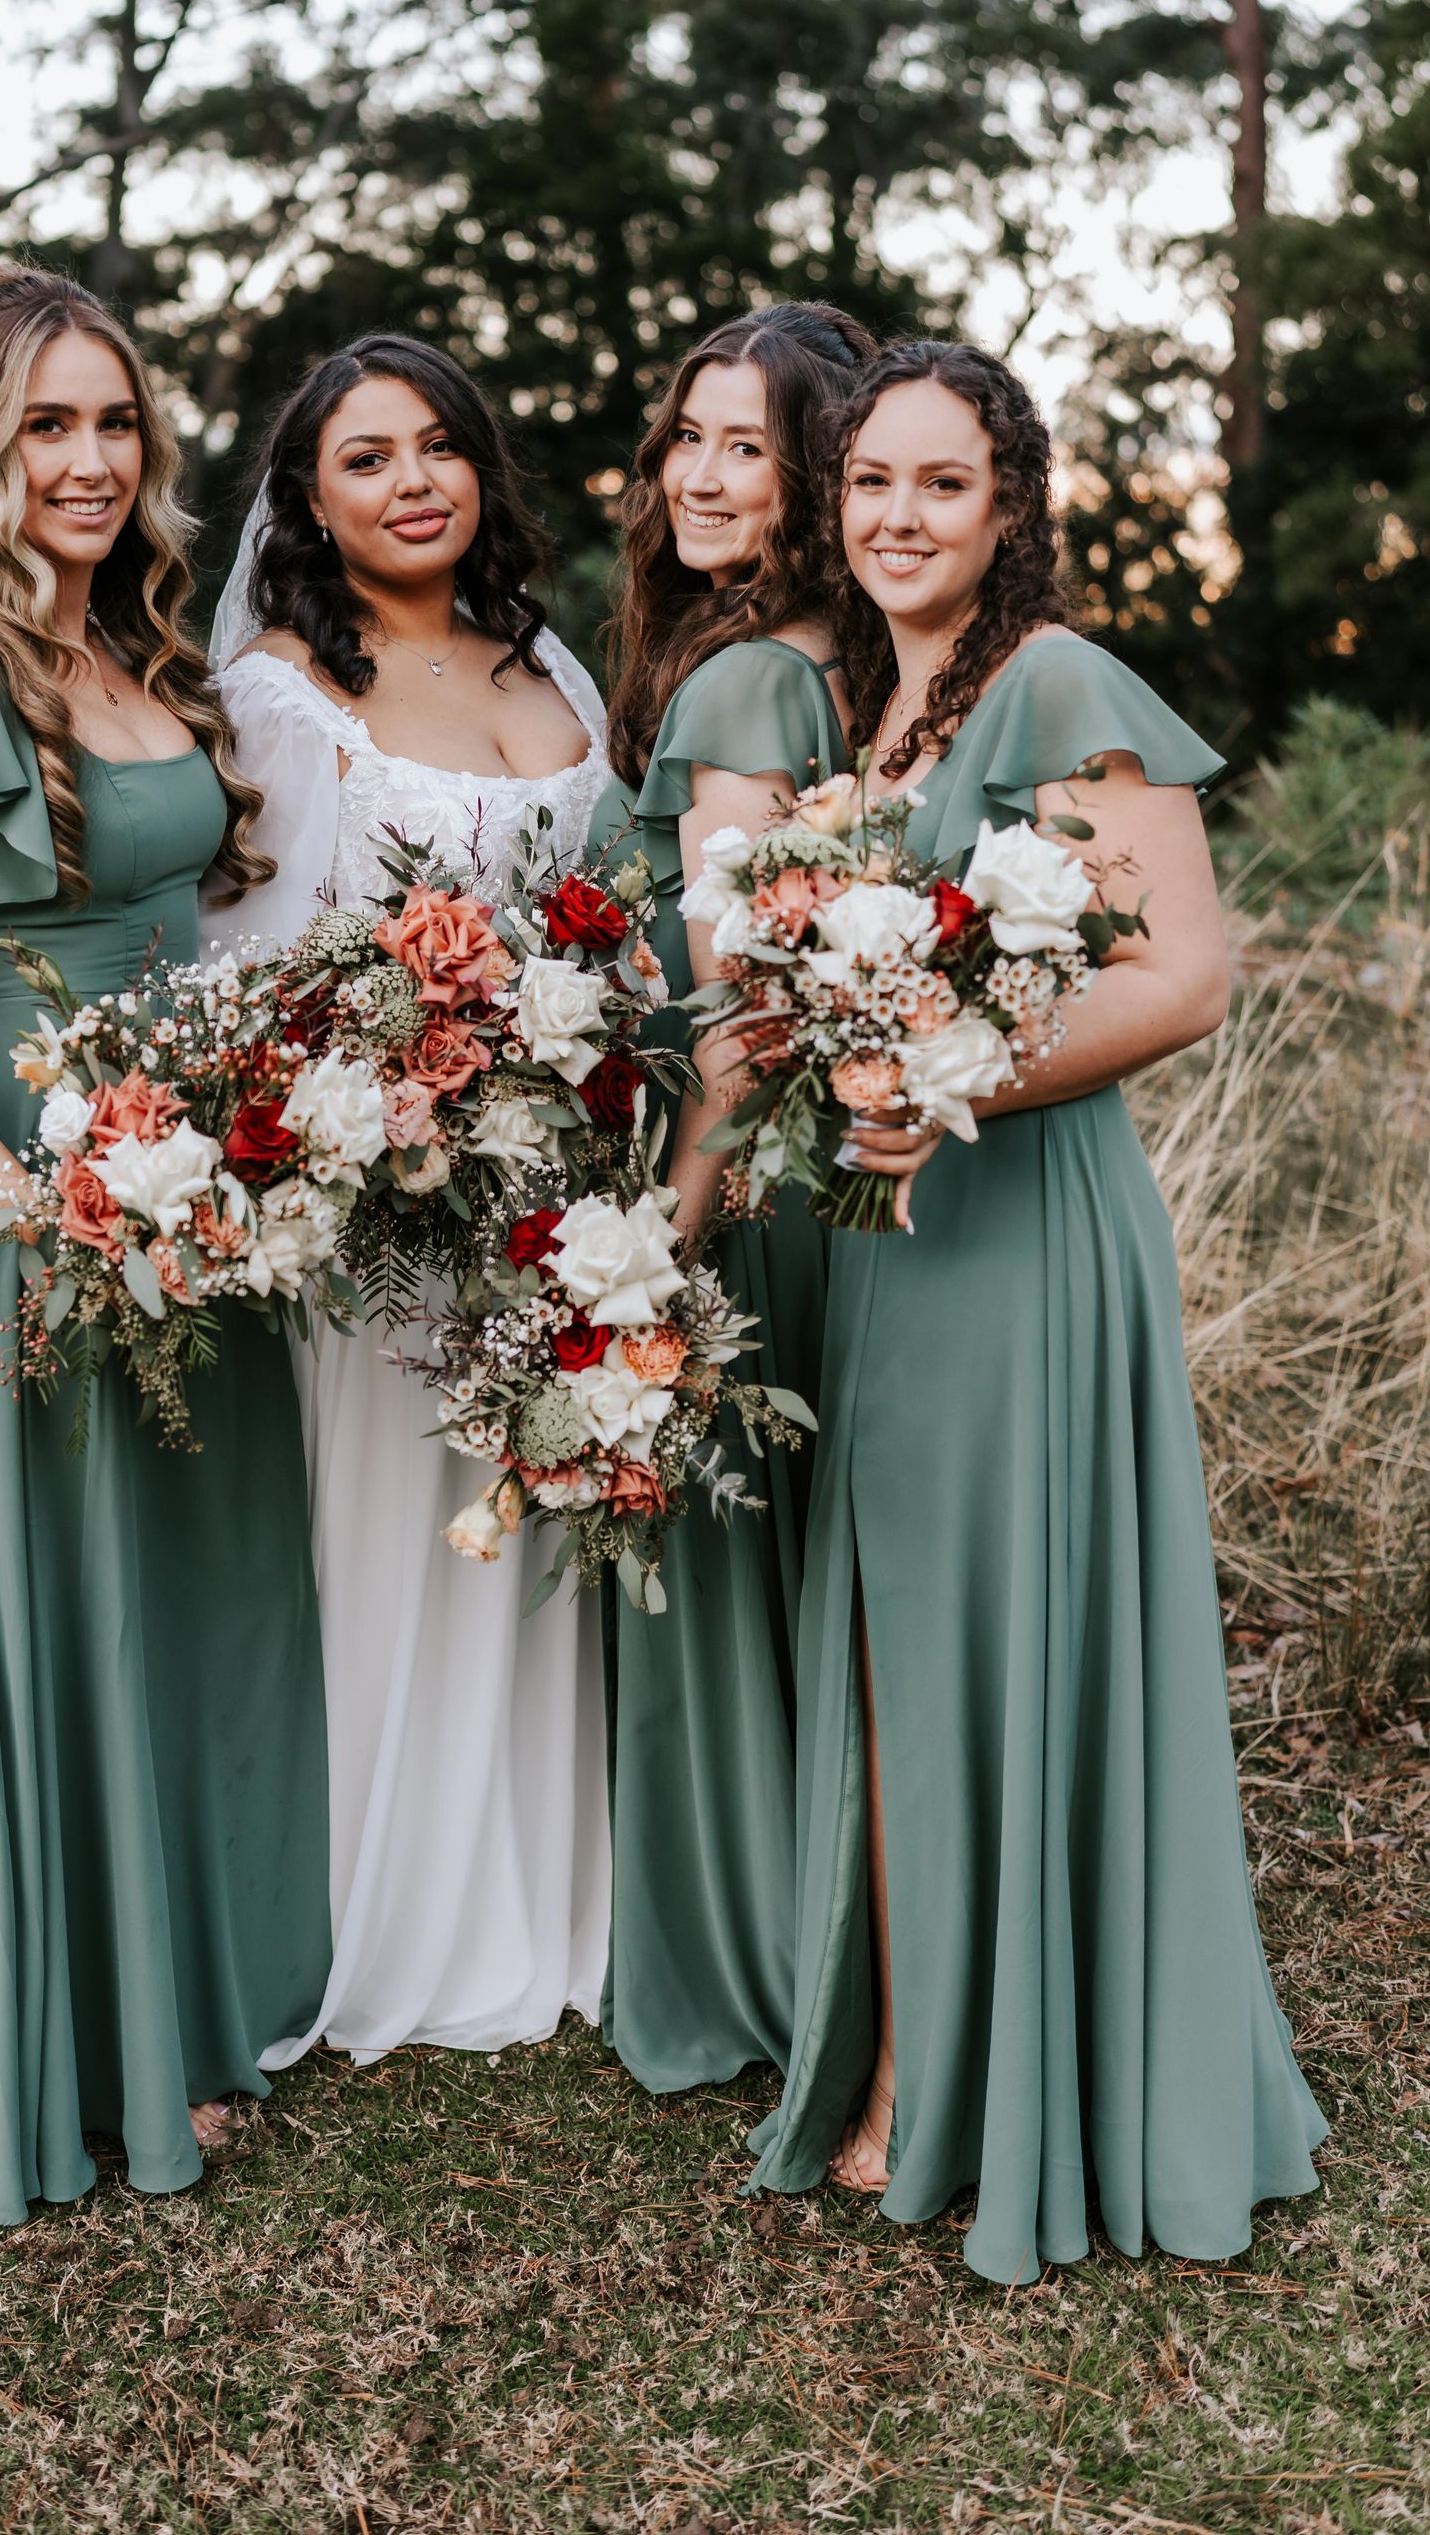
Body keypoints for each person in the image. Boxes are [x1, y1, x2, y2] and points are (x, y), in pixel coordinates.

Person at [745, 339, 1327, 2281]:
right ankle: (926, 2058)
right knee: (915, 1660)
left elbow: (1182, 977)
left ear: (1010, 510)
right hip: (896, 1249)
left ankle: (996, 2091)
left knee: (1005, 1644)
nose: (897, 517)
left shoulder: (1061, 685)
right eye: (871, 484)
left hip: (1025, 1234)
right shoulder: (879, 726)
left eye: (941, 484)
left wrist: (951, 1083)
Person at [0, 264, 330, 2222]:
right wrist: (42, 1205)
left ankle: (175, 1997)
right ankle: (65, 2039)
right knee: (72, 1610)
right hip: (27, 1201)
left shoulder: (137, 647)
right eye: (50, 425)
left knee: (183, 1603)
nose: (94, 461)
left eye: (118, 424)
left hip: (195, 1187)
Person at [200, 332, 612, 2063]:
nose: (412, 480)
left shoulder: (558, 676)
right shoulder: (287, 696)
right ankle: (388, 1910)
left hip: (564, 1179)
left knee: (547, 1523)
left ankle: (550, 1890)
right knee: (396, 1532)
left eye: (439, 446)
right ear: (308, 494)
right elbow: (249, 968)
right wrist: (401, 1095)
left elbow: (615, 908)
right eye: (366, 457)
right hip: (382, 1200)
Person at [589, 300, 876, 2092]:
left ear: (813, 474)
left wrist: (663, 1245)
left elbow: (744, 999)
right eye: (688, 434)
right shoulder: (814, 654)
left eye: (748, 444)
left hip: (735, 1172)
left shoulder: (744, 680)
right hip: (781, 1171)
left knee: (723, 1551)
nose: (702, 472)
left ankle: (745, 1967)